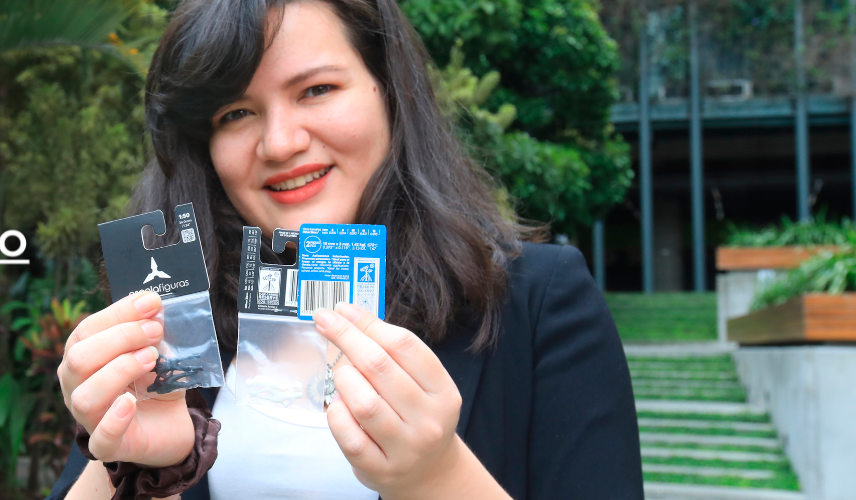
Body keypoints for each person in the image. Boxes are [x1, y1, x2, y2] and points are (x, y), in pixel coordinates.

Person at [47, 0, 643, 498]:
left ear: (390, 92)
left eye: (317, 89)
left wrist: (436, 475)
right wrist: (138, 466)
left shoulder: (539, 301)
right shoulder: (171, 322)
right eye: (236, 112)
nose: (280, 143)